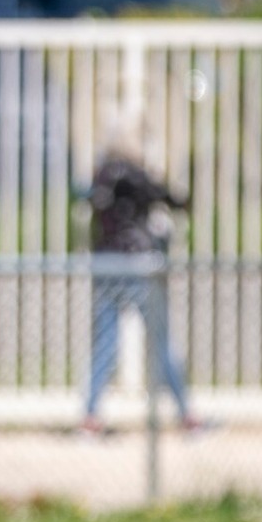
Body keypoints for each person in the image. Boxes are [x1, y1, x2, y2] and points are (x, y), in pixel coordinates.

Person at [81, 152, 197, 435]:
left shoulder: (101, 177)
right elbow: (169, 198)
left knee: (106, 343)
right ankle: (186, 416)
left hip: (107, 264)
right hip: (137, 265)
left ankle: (90, 418)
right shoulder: (137, 176)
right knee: (161, 341)